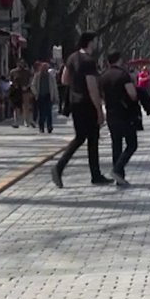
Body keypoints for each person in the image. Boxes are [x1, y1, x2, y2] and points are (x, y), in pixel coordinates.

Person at [51, 32, 113, 188]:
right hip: (87, 104)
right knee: (87, 139)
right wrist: (99, 109)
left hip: (75, 103)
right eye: (95, 41)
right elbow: (92, 86)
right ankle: (60, 167)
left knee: (86, 137)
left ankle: (95, 174)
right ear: (90, 42)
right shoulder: (88, 61)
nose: (96, 44)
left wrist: (76, 85)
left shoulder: (72, 58)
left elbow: (64, 79)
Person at [100, 51, 139, 187]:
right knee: (132, 144)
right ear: (119, 60)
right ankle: (117, 169)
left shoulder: (103, 76)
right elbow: (132, 94)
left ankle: (119, 177)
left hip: (111, 113)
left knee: (116, 144)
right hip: (125, 114)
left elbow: (102, 96)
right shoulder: (123, 75)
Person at [31, 62, 58, 133]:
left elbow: (54, 87)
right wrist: (36, 93)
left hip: (48, 96)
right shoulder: (37, 76)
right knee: (42, 113)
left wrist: (56, 97)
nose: (45, 69)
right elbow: (33, 85)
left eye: (46, 68)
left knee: (49, 112)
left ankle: (49, 126)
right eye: (43, 68)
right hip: (40, 96)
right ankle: (41, 127)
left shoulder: (51, 76)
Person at [9, 60, 34, 128]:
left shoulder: (27, 72)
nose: (21, 64)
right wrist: (13, 86)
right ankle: (16, 122)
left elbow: (31, 80)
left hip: (25, 91)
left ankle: (26, 121)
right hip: (16, 91)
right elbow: (10, 81)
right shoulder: (13, 72)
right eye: (20, 63)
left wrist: (27, 86)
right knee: (16, 107)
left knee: (26, 107)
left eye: (23, 63)